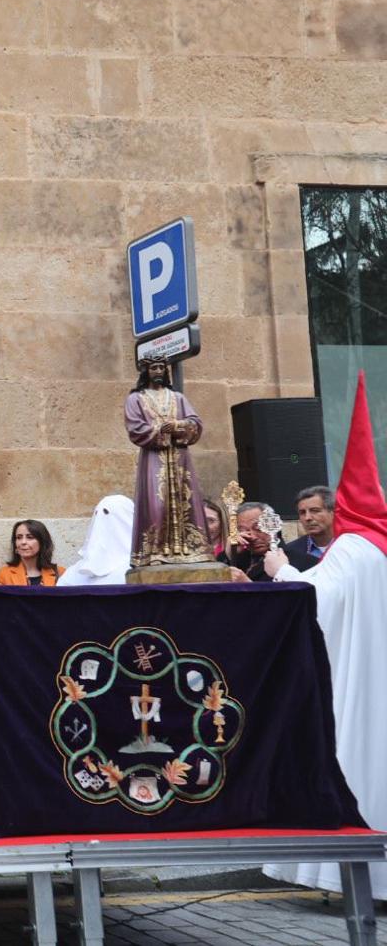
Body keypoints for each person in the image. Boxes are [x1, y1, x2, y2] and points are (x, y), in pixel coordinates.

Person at [262, 372, 387, 900]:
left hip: (355, 685)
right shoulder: (375, 548)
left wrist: (278, 570)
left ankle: (357, 877)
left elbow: (318, 601)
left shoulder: (352, 549)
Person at [125, 358, 214, 567]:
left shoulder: (178, 398)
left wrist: (177, 425)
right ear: (146, 371)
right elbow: (135, 428)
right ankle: (154, 551)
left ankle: (191, 549)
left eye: (161, 368)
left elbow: (195, 423)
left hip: (179, 458)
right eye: (154, 368)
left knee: (186, 499)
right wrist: (159, 431)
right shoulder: (136, 399)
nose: (158, 371)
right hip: (154, 458)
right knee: (157, 504)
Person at [57, 496, 136, 587]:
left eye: (106, 513)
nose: (102, 520)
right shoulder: (75, 572)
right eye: (97, 514)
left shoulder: (138, 570)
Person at [0, 520, 64, 586]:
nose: (23, 542)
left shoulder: (60, 573)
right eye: (19, 537)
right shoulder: (5, 573)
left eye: (30, 537)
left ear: (42, 542)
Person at [226, 501, 280, 581]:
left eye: (258, 528)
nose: (253, 537)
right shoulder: (242, 557)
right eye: (244, 530)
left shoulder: (290, 557)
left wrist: (247, 584)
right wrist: (231, 554)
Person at [287, 485, 334, 569]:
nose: (307, 517)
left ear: (333, 512)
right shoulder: (291, 551)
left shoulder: (352, 545)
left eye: (315, 511)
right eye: (302, 512)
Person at [202, 497, 231, 562]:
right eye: (201, 519)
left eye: (210, 520)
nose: (204, 526)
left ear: (223, 522)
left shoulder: (234, 548)